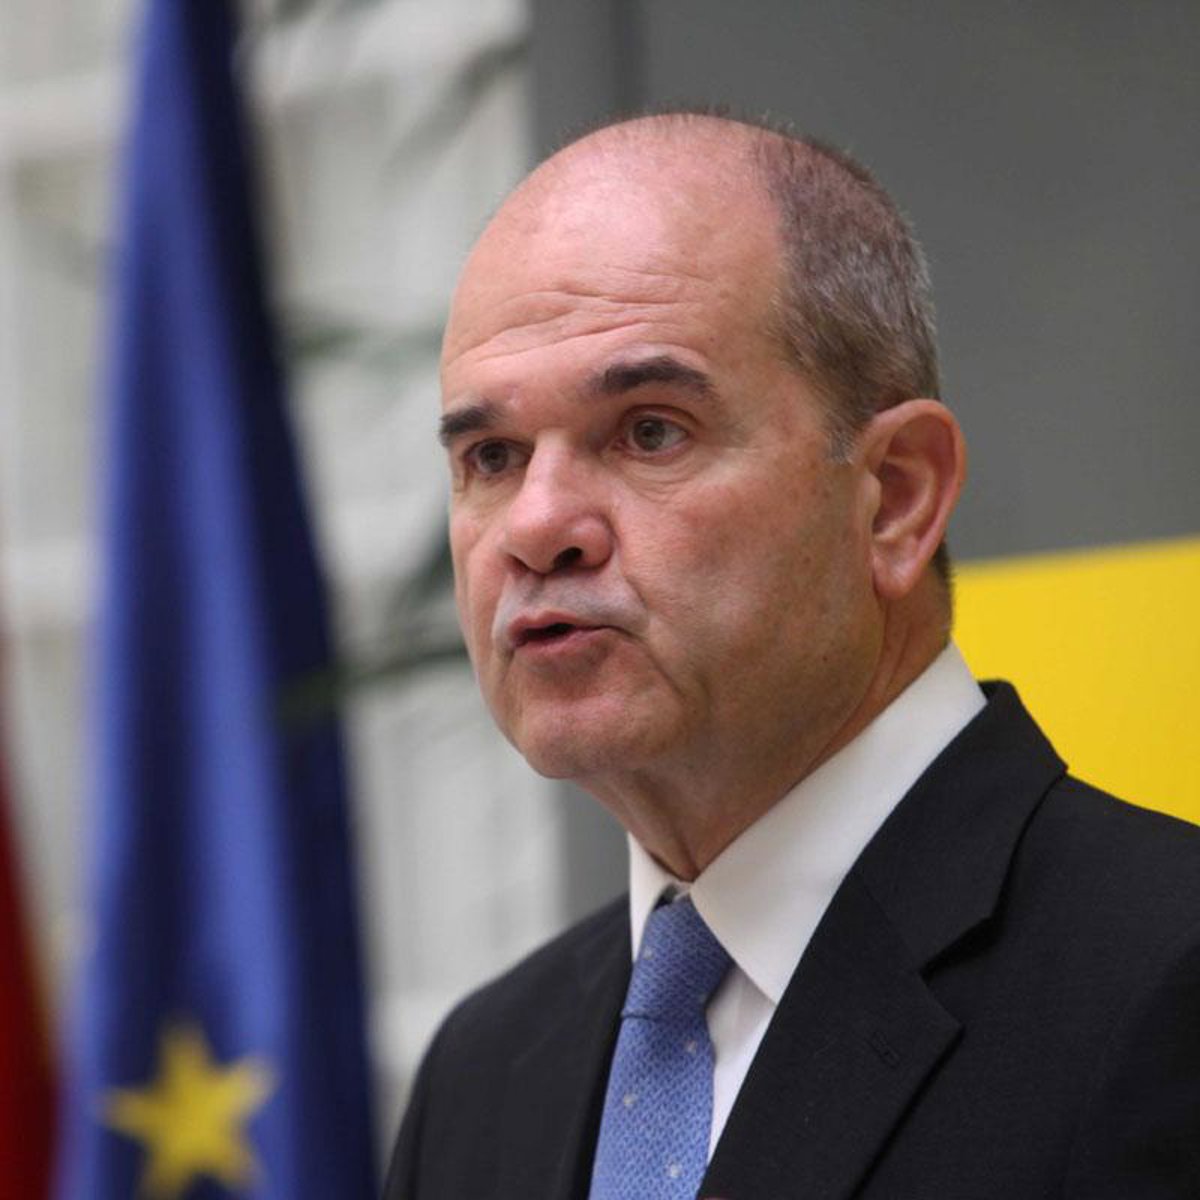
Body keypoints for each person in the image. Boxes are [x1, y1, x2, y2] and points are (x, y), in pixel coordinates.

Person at [384, 112, 1200, 1199]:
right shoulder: (483, 1078)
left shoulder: (1168, 979)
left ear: (895, 497)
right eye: (492, 456)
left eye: (650, 431)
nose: (537, 527)